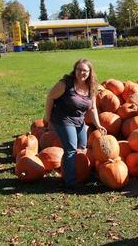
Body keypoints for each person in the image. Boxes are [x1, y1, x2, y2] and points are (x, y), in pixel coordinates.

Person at [43, 59, 106, 188]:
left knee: (82, 147)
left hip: (79, 120)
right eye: (79, 69)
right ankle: (70, 181)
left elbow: (92, 108)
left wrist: (98, 125)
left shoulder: (92, 87)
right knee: (71, 149)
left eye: (85, 70)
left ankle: (79, 172)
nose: (81, 73)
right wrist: (47, 116)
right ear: (74, 70)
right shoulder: (65, 84)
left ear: (90, 72)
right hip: (63, 119)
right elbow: (50, 97)